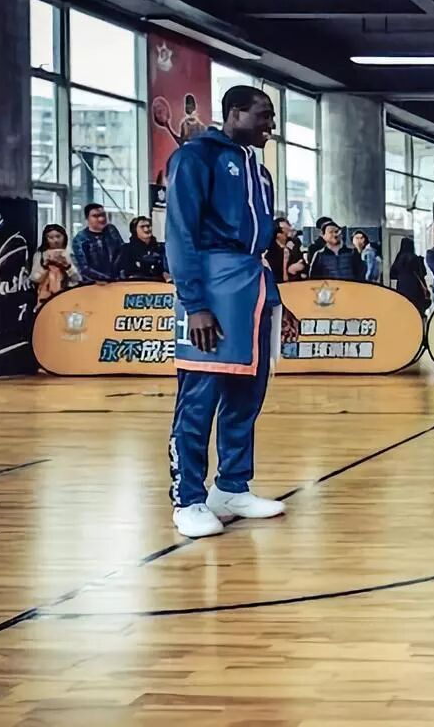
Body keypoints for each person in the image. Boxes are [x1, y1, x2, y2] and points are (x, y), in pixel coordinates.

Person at [165, 84, 294, 539]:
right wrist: (195, 304)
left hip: (251, 286)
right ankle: (188, 500)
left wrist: (277, 301)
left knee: (247, 394)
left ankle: (232, 487)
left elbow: (262, 248)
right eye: (264, 115)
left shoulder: (260, 172)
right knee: (199, 398)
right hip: (211, 287)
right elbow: (180, 233)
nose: (271, 125)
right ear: (234, 112)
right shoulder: (196, 157)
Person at [71, 203, 125, 283]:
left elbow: (122, 252)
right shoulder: (80, 239)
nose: (101, 219)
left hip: (117, 280)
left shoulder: (111, 231)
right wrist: (106, 279)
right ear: (87, 218)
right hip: (94, 283)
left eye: (103, 215)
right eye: (96, 216)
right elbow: (84, 268)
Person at [30, 224, 79, 308]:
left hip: (68, 295)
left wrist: (67, 266)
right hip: (45, 298)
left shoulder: (71, 254)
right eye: (51, 238)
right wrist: (45, 266)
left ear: (64, 237)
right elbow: (35, 279)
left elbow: (77, 279)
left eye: (58, 236)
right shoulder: (40, 255)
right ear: (46, 239)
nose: (55, 240)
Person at [118, 216, 170, 281]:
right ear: (134, 230)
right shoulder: (127, 249)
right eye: (142, 227)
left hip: (158, 284)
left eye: (148, 226)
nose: (146, 229)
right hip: (135, 283)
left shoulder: (160, 248)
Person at [390, 238, 430, 315]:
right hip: (415, 287)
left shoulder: (398, 258)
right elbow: (422, 273)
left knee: (404, 308)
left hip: (402, 286)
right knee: (415, 308)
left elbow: (392, 274)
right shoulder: (415, 258)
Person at [265, 217, 306, 283]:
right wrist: (288, 269)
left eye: (288, 228)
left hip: (295, 282)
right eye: (283, 230)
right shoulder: (270, 248)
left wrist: (300, 266)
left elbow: (302, 262)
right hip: (277, 283)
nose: (286, 232)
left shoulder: (295, 243)